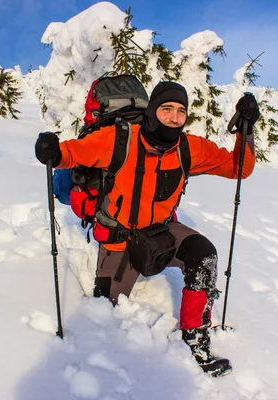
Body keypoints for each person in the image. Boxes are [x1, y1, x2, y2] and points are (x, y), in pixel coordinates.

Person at [35, 81, 259, 377]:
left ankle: (195, 335)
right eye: (167, 109)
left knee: (203, 255)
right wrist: (51, 149)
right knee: (104, 309)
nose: (174, 117)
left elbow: (238, 168)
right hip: (119, 241)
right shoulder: (118, 140)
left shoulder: (188, 147)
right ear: (153, 110)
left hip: (161, 232)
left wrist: (247, 130)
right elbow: (71, 154)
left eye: (181, 111)